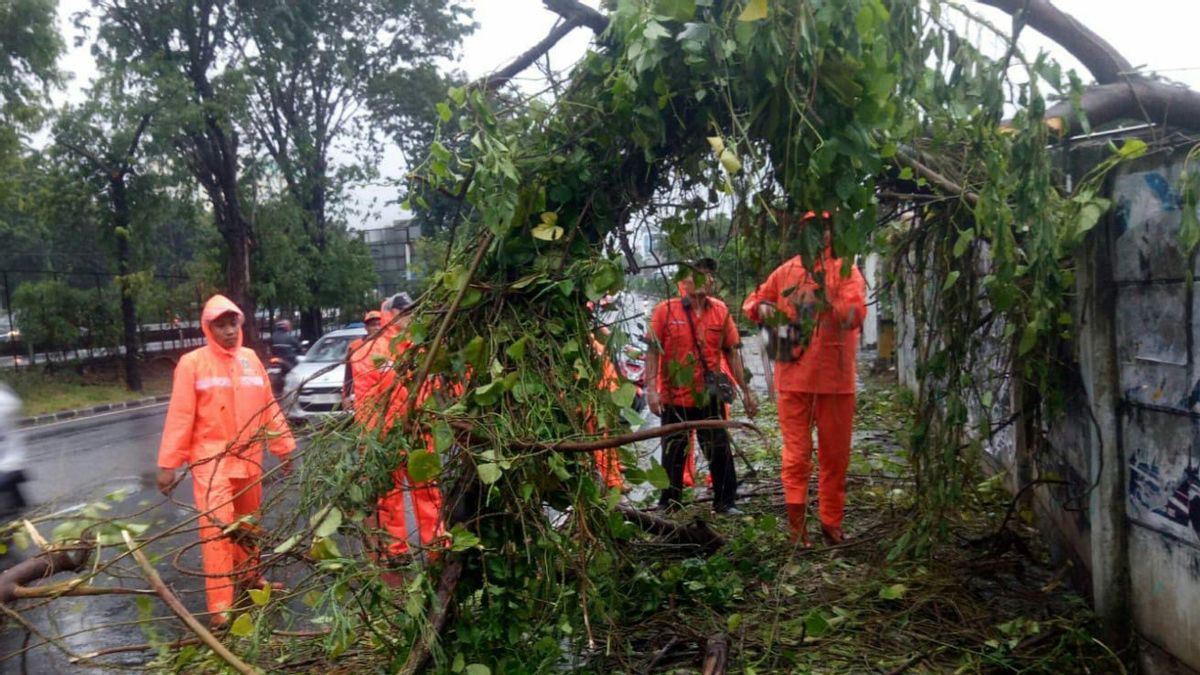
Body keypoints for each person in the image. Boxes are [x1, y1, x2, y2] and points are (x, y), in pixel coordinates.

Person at [157, 295, 296, 627]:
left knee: (248, 525)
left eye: (233, 322)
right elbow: (180, 415)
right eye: (221, 324)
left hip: (249, 458)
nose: (230, 330)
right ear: (208, 328)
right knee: (218, 531)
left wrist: (283, 447)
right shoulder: (193, 364)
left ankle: (250, 579)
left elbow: (268, 408)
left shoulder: (250, 359)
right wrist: (168, 464)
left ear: (240, 324)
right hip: (211, 461)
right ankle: (221, 605)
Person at [742, 212, 866, 546]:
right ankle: (797, 530)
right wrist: (762, 309)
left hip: (835, 381)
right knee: (796, 457)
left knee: (834, 457)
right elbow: (752, 302)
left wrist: (823, 301)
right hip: (793, 377)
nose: (819, 234)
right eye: (812, 228)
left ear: (831, 231)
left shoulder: (845, 269)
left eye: (824, 227)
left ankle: (830, 523)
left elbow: (856, 315)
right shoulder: (787, 270)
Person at [646, 259, 758, 513]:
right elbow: (653, 351)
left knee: (719, 450)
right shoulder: (665, 311)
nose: (706, 279)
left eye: (708, 275)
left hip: (710, 395)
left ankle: (725, 502)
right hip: (674, 397)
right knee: (673, 453)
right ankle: (670, 502)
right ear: (683, 282)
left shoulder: (720, 310)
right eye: (698, 275)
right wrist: (652, 389)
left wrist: (747, 391)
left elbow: (732, 353)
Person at [354, 293, 444, 557]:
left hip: (419, 434)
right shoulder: (370, 351)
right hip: (387, 439)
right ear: (391, 315)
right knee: (389, 499)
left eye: (412, 313)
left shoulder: (421, 349)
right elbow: (365, 400)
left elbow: (434, 388)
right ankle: (396, 551)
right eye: (405, 313)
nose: (410, 317)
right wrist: (372, 440)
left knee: (429, 494)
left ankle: (437, 547)